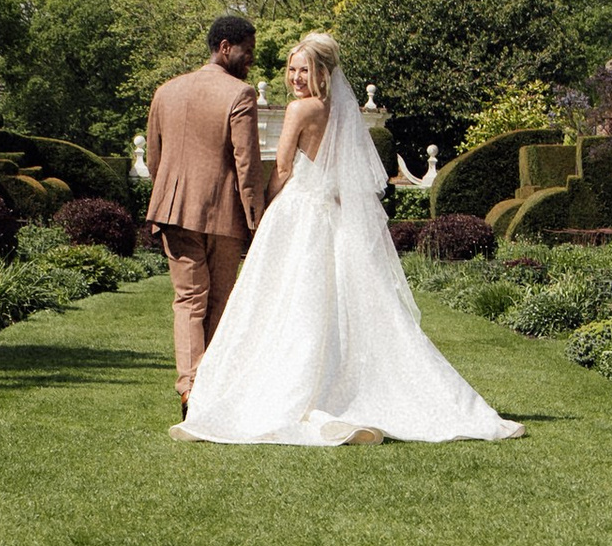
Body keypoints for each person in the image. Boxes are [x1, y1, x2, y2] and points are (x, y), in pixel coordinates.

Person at [176, 32, 521, 448]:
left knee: (284, 300)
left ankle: (291, 386)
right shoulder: (340, 111)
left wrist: (263, 209)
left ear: (323, 73)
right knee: (332, 303)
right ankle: (338, 385)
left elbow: (283, 167)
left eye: (304, 70)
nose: (296, 78)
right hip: (332, 215)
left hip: (298, 211)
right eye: (292, 69)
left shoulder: (299, 110)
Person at [143, 13, 267, 413]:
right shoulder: (240, 94)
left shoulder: (165, 91)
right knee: (218, 301)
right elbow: (247, 165)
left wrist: (167, 198)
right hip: (222, 214)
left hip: (173, 212)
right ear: (225, 47)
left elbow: (155, 159)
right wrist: (257, 221)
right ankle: (207, 386)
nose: (251, 59)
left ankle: (190, 388)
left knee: (188, 300)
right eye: (247, 51)